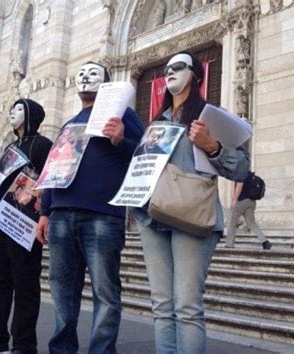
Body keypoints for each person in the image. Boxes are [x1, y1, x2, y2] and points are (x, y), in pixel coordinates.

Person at [132, 52, 249, 354]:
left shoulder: (212, 117)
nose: (169, 72)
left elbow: (241, 170)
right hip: (151, 217)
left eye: (178, 67)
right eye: (167, 69)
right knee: (161, 305)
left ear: (196, 75)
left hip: (193, 216)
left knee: (186, 306)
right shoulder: (155, 124)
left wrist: (212, 146)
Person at [36, 61, 144, 354]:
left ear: (107, 83)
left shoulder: (124, 115)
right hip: (60, 215)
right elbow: (53, 168)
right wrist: (45, 211)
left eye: (93, 73)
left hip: (102, 216)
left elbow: (144, 155)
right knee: (61, 289)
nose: (85, 77)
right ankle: (62, 349)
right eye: (81, 73)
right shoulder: (69, 124)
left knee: (105, 291)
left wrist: (121, 139)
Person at [0, 98, 52, 354]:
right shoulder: (10, 147)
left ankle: (25, 344)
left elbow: (46, 182)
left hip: (24, 223)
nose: (11, 114)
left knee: (25, 285)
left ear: (30, 114)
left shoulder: (44, 145)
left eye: (17, 110)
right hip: (0, 222)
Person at [225, 173, 272, 250]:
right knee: (251, 223)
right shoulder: (250, 175)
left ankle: (229, 244)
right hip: (251, 202)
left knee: (231, 222)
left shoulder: (240, 173)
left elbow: (240, 185)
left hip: (241, 201)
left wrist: (234, 200)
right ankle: (265, 242)